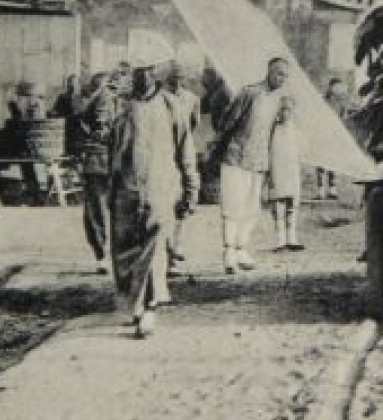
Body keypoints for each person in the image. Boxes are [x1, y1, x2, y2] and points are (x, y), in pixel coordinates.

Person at [108, 63, 182, 338]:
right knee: (125, 249)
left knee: (153, 247)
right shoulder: (122, 107)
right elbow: (111, 149)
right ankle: (134, 302)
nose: (142, 78)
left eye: (147, 71)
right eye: (137, 73)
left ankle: (148, 307)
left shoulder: (171, 105)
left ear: (155, 74)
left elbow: (183, 146)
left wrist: (189, 185)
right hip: (125, 187)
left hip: (159, 186)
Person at [213, 58, 292, 274]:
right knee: (232, 207)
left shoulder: (280, 100)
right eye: (278, 74)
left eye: (285, 76)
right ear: (269, 72)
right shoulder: (250, 93)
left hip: (258, 161)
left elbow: (277, 131)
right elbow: (228, 122)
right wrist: (218, 148)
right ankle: (229, 253)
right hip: (236, 158)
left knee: (251, 210)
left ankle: (241, 249)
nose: (281, 79)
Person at [159, 61, 204, 274]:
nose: (177, 81)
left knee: (182, 203)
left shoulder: (192, 100)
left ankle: (175, 248)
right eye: (173, 78)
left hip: (183, 151)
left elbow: (192, 126)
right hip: (164, 155)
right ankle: (168, 255)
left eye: (181, 78)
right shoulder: (160, 99)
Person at [75, 72, 120, 269]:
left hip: (119, 159)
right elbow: (98, 127)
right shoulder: (103, 98)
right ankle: (102, 254)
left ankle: (110, 254)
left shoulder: (130, 100)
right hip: (100, 159)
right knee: (98, 208)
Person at [265, 87, 303, 251]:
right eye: (282, 109)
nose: (285, 113)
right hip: (276, 168)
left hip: (291, 168)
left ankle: (292, 238)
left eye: (288, 109)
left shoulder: (296, 128)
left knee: (292, 203)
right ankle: (279, 239)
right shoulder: (271, 128)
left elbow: (301, 148)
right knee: (278, 203)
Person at [318, 77, 352, 196]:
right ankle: (321, 189)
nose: (337, 90)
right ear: (330, 87)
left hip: (334, 135)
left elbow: (344, 119)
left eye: (339, 87)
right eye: (335, 87)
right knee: (321, 161)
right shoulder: (322, 100)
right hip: (322, 133)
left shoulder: (341, 103)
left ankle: (332, 189)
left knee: (333, 161)